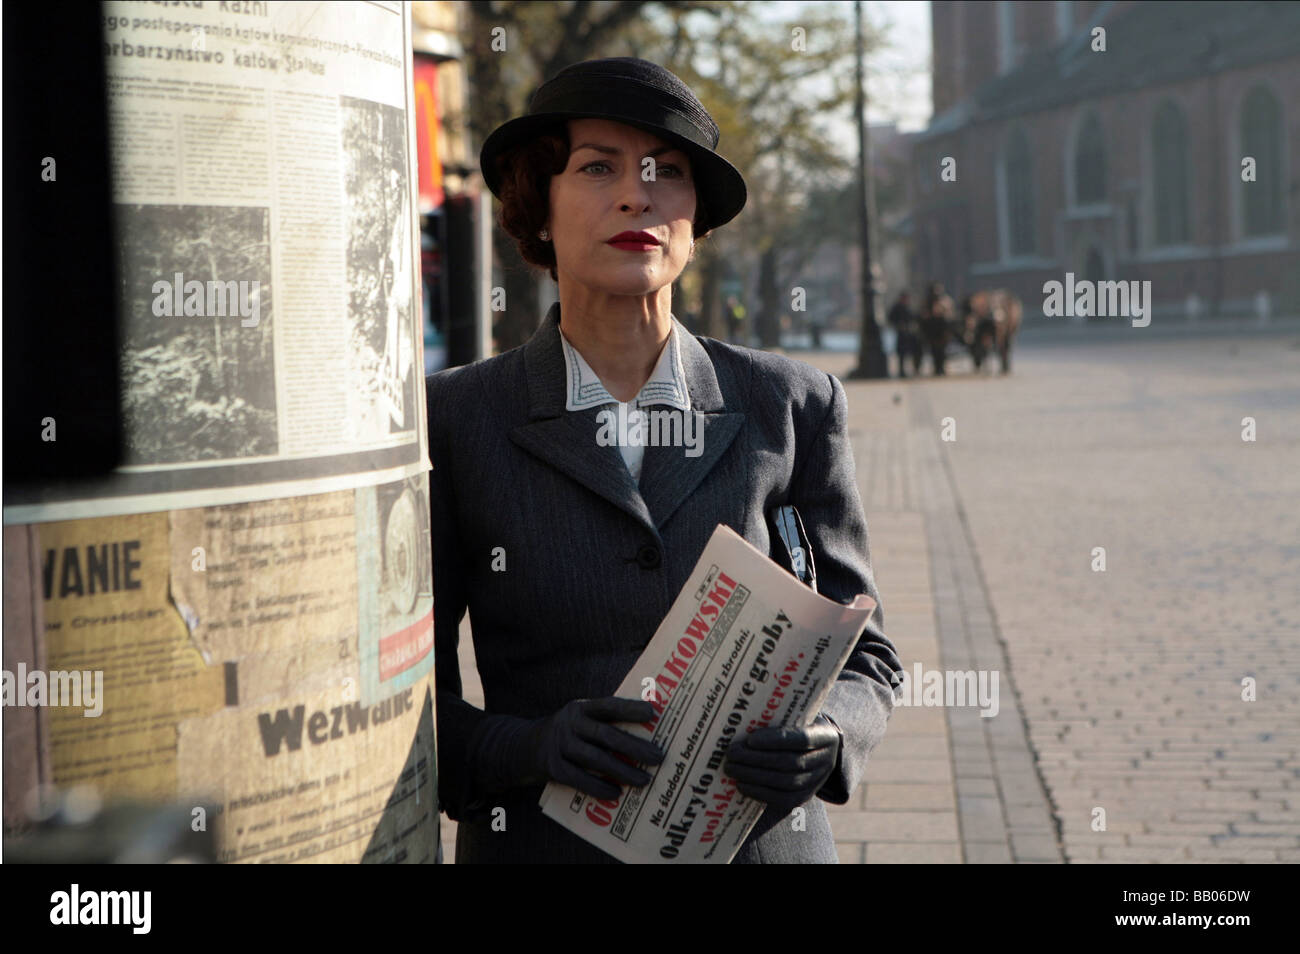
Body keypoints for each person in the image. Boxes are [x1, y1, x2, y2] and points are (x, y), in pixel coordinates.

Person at [426, 57, 900, 864]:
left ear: (695, 219)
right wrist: (528, 747)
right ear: (537, 207)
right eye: (597, 166)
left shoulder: (793, 404)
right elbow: (410, 700)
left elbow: (870, 657)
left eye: (666, 172)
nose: (636, 195)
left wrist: (826, 735)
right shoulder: (456, 418)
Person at [921, 280, 954, 376]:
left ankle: (941, 367)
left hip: (941, 329)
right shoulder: (927, 302)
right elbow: (924, 316)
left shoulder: (944, 301)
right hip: (932, 329)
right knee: (935, 350)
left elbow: (949, 315)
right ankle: (937, 367)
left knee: (942, 350)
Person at [886, 290, 920, 378]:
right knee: (901, 354)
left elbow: (915, 318)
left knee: (913, 352)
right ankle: (901, 371)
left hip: (910, 334)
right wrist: (898, 325)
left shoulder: (909, 307)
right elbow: (891, 319)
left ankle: (914, 369)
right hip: (901, 334)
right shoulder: (897, 307)